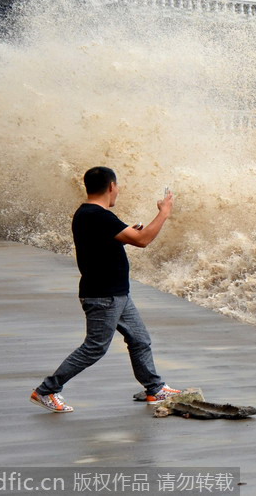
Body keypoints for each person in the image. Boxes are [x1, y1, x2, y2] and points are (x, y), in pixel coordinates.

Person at [30, 166, 180, 413]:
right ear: (111, 186)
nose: (117, 191)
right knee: (94, 347)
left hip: (116, 293)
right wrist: (164, 213)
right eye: (117, 186)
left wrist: (128, 232)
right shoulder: (98, 216)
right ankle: (47, 390)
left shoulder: (89, 214)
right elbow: (143, 241)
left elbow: (119, 238)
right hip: (104, 295)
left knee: (140, 339)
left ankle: (155, 389)